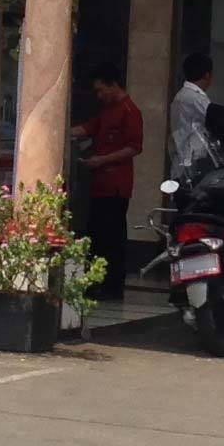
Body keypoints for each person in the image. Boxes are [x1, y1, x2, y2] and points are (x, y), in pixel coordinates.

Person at [79, 66, 143, 297]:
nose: (99, 95)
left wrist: (102, 160)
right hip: (100, 185)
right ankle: (96, 282)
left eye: (101, 90)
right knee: (97, 234)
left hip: (116, 185)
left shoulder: (129, 111)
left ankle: (112, 285)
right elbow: (87, 129)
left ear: (113, 84)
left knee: (112, 237)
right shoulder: (108, 111)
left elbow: (134, 147)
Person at [168, 50, 215, 178]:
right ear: (207, 75)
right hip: (191, 165)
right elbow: (214, 117)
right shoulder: (195, 98)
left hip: (185, 161)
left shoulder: (184, 95)